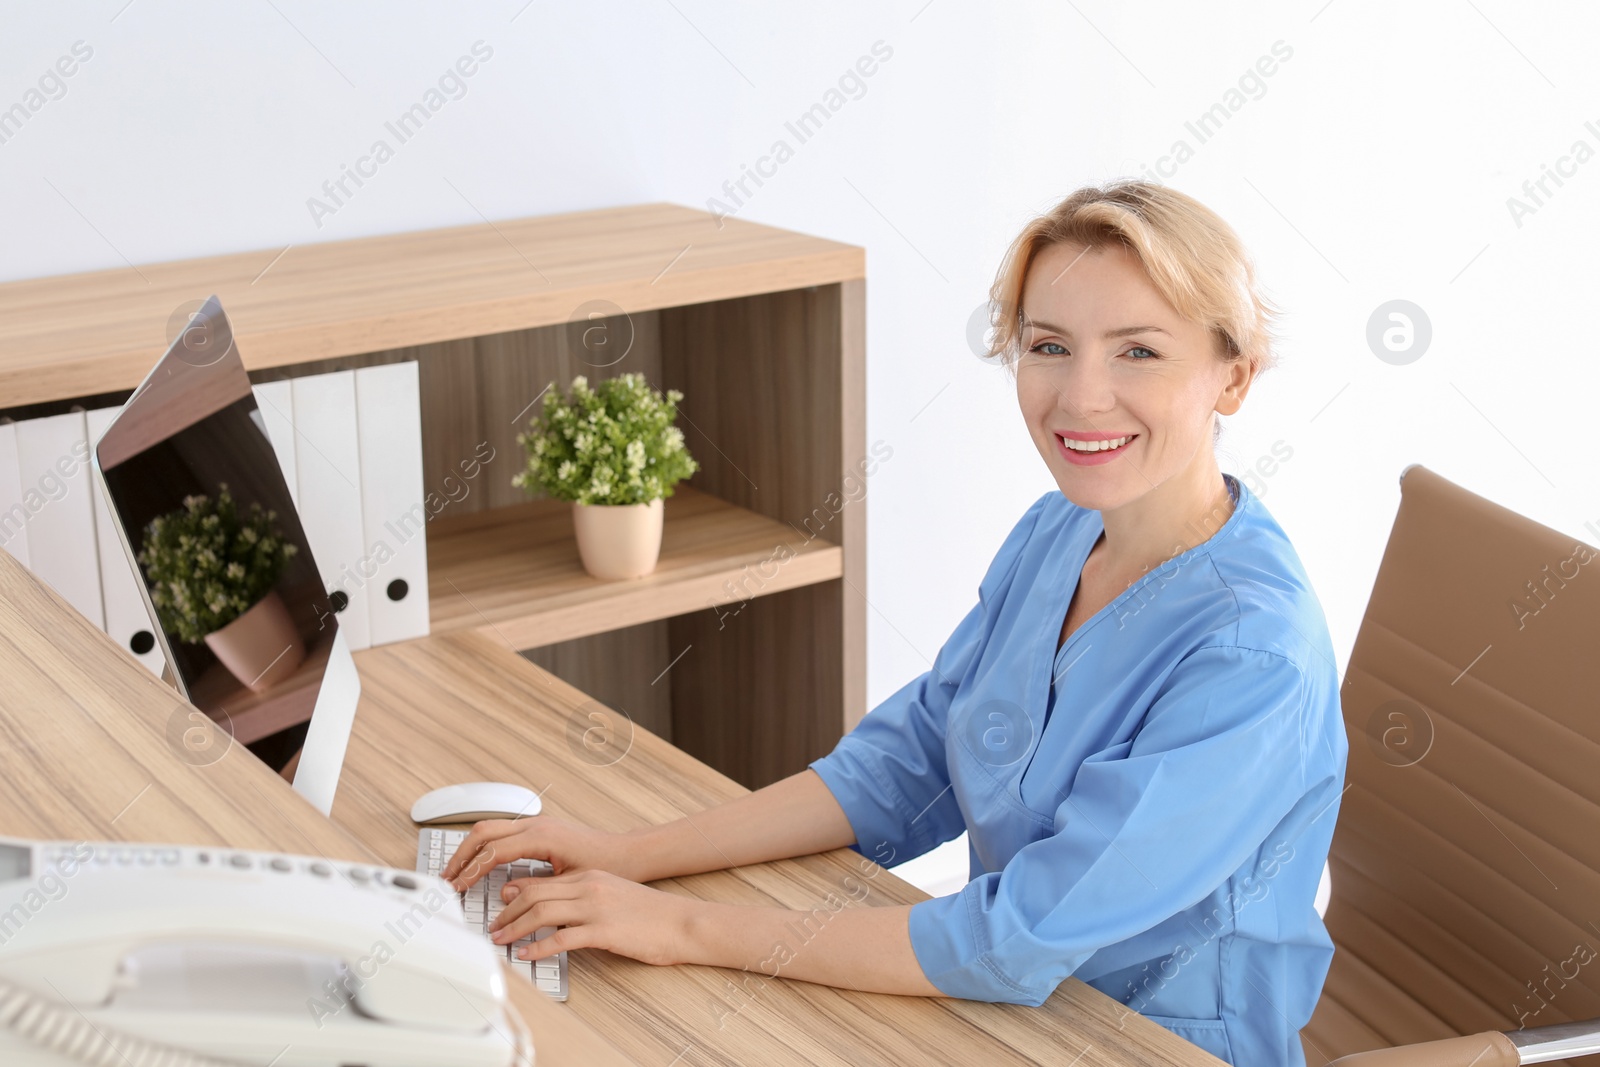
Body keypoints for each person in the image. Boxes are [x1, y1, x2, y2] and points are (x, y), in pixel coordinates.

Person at [442, 180, 1348, 1065]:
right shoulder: (1061, 529)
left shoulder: (1250, 655)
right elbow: (910, 761)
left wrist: (682, 925)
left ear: (1233, 376)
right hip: (1004, 1004)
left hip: (1144, 1038)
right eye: (1049, 346)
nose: (1080, 397)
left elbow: (1019, 933)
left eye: (1139, 352)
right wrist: (631, 854)